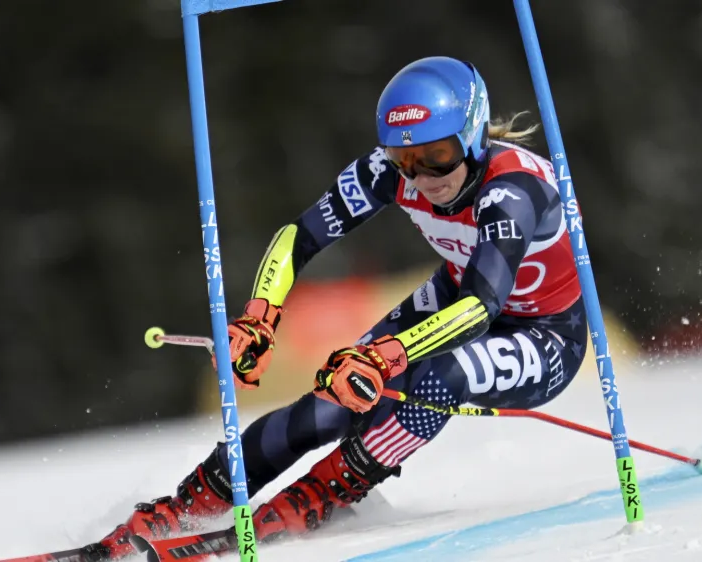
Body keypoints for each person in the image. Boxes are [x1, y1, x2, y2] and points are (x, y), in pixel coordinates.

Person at [89, 55, 588, 560]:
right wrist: (261, 314)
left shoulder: (512, 190)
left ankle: (321, 494)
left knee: (442, 376)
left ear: (475, 133)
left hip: (544, 333)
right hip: (455, 295)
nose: (422, 177)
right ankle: (190, 503)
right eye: (404, 160)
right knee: (332, 402)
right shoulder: (388, 172)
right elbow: (297, 237)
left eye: (438, 155)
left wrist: (384, 356)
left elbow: (484, 305)